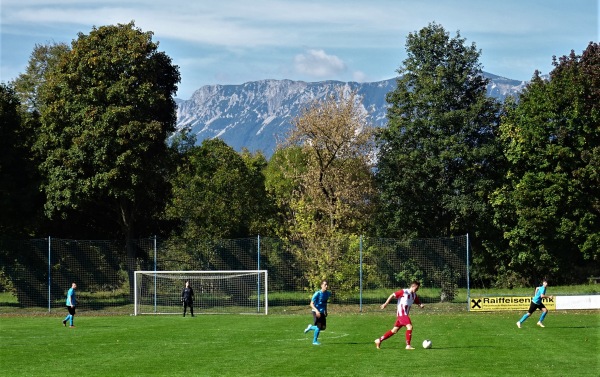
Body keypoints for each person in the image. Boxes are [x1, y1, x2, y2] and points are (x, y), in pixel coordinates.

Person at [374, 280, 424, 350]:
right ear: (413, 286)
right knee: (410, 327)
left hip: (403, 315)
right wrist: (385, 304)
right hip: (402, 314)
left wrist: (420, 304)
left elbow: (417, 301)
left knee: (394, 331)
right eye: (417, 288)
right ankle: (408, 345)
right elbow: (392, 295)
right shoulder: (404, 292)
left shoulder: (414, 295)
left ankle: (379, 340)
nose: (417, 290)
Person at [303, 280, 331, 345]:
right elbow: (311, 304)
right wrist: (316, 311)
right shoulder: (317, 294)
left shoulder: (328, 293)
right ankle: (314, 341)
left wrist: (325, 311)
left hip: (322, 312)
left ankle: (310, 327)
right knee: (319, 327)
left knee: (323, 327)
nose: (326, 286)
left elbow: (325, 303)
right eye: (325, 285)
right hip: (316, 312)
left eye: (327, 285)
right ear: (321, 286)